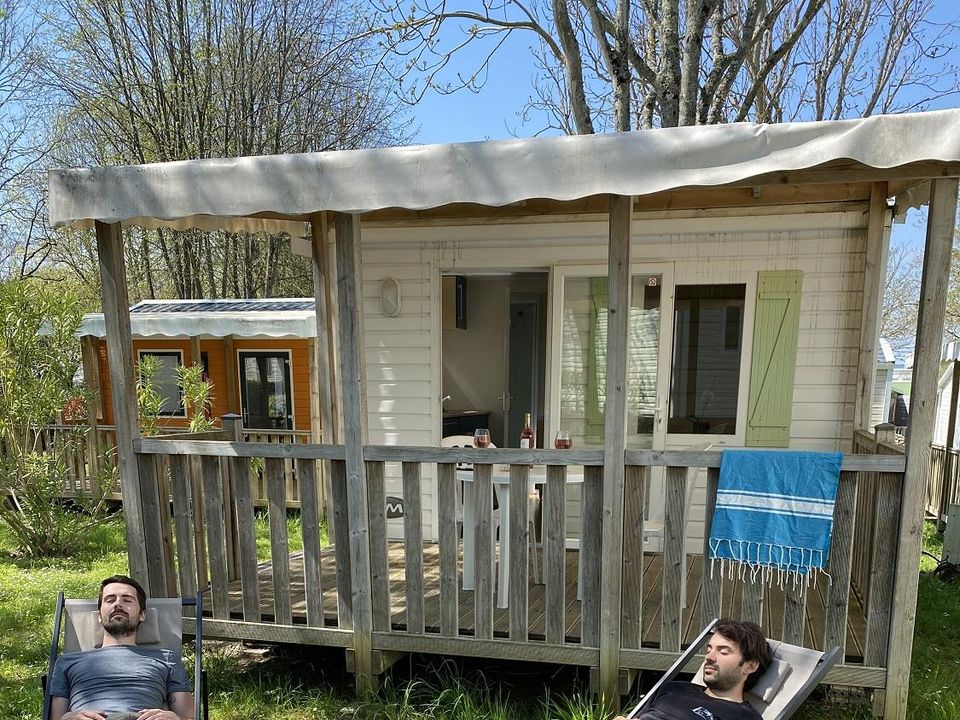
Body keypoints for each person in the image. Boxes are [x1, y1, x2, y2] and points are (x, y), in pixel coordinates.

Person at [49, 575, 194, 720]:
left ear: (142, 614)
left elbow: (188, 718)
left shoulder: (167, 658)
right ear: (99, 615)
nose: (118, 604)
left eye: (127, 600)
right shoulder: (67, 662)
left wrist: (174, 718)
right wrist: (67, 718)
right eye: (110, 600)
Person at [622, 619, 772, 720]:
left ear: (750, 666)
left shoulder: (744, 716)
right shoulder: (674, 687)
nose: (709, 657)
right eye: (709, 649)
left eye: (723, 652)